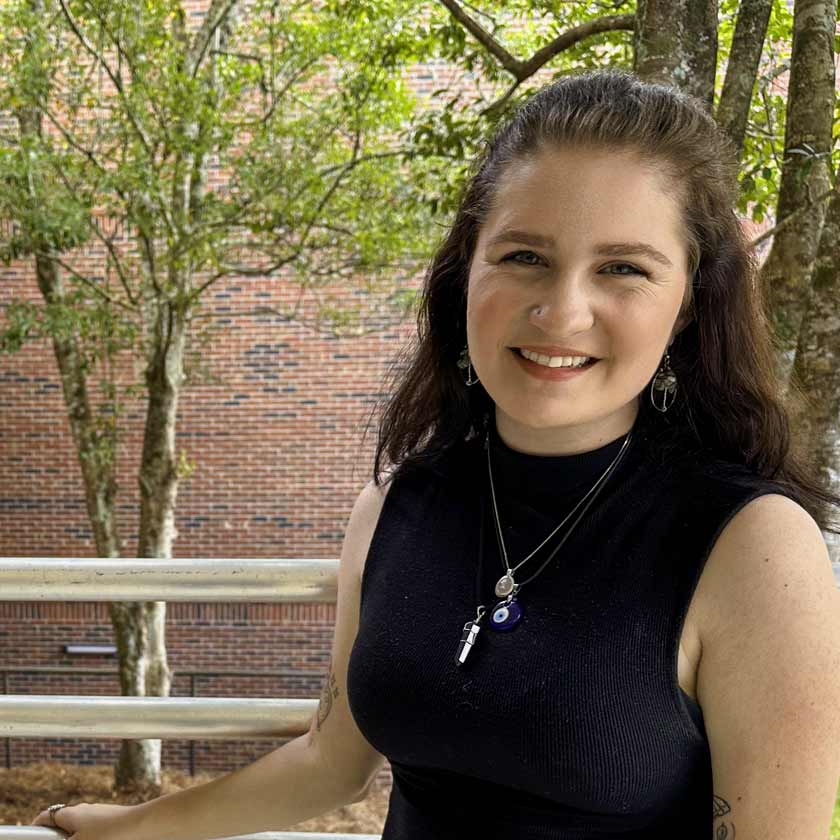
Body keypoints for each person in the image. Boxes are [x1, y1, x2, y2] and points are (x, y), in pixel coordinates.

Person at [32, 68, 840, 840]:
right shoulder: (398, 507)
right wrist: (134, 825)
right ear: (465, 276)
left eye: (623, 269)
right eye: (525, 256)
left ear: (690, 308)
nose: (561, 312)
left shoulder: (753, 549)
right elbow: (329, 763)